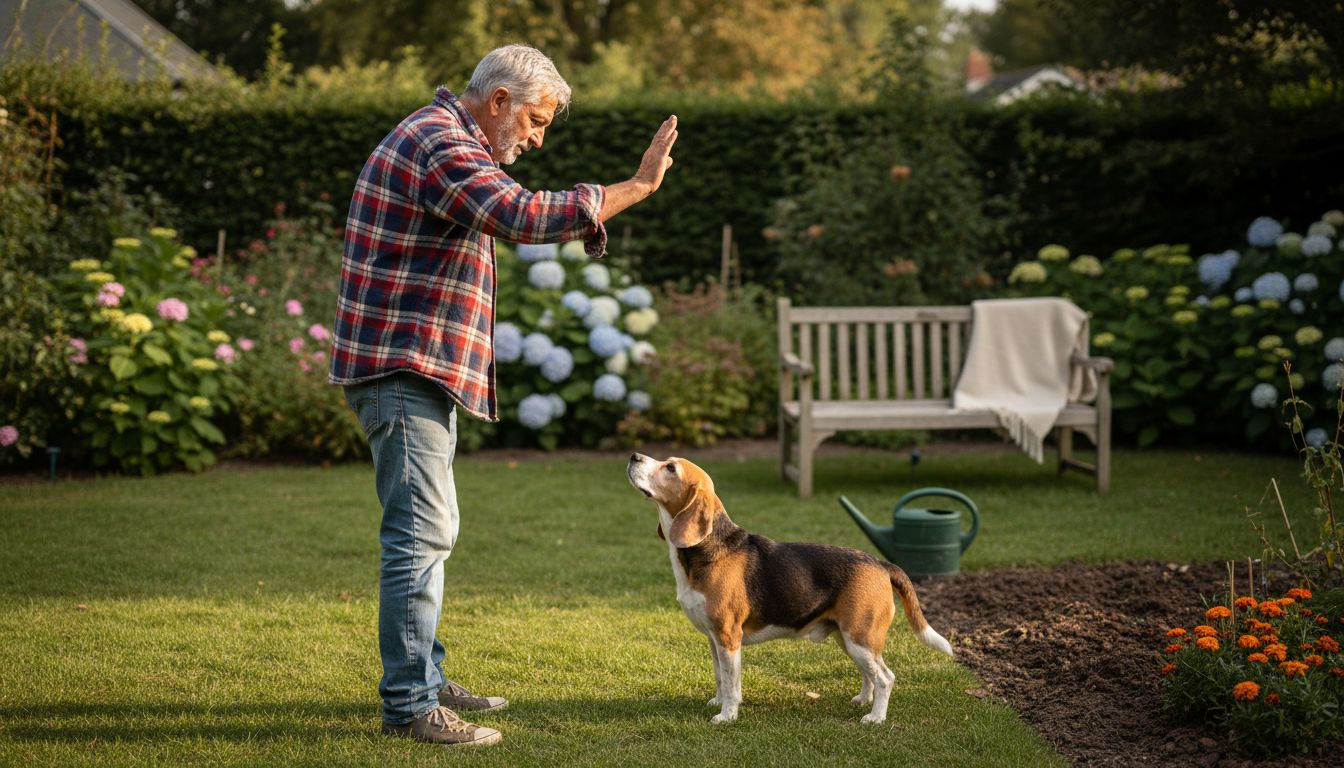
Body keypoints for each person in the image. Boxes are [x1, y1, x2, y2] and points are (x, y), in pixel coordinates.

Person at [328, 44, 677, 747]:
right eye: (537, 120)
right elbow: (515, 215)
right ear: (498, 102)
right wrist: (635, 187)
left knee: (431, 533)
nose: (537, 137)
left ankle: (423, 676)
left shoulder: (447, 138)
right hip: (402, 370)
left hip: (414, 371)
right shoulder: (440, 142)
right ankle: (410, 706)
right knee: (419, 538)